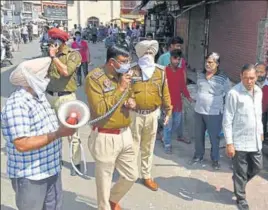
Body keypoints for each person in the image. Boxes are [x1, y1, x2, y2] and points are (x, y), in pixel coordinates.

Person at [1, 57, 75, 210]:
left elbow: (45, 127)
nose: (48, 78)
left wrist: (67, 123)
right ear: (32, 78)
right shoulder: (18, 104)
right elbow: (21, 144)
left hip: (51, 169)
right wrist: (57, 134)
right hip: (31, 176)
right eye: (45, 75)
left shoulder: (40, 97)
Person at [85, 44, 138, 210]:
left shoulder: (122, 76)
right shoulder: (95, 79)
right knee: (104, 180)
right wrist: (120, 88)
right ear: (112, 62)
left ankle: (112, 199)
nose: (127, 65)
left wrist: (131, 102)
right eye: (123, 61)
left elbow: (130, 96)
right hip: (105, 135)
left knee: (131, 175)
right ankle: (104, 206)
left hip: (125, 134)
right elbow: (100, 109)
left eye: (128, 61)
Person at [130, 40, 172, 191]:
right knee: (133, 146)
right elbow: (124, 91)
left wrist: (168, 110)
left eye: (150, 53)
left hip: (152, 114)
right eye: (145, 53)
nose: (148, 56)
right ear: (140, 54)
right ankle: (131, 174)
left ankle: (146, 175)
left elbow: (165, 92)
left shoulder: (160, 72)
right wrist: (129, 99)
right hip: (135, 115)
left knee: (148, 146)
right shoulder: (132, 71)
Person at [223, 64, 263, 210]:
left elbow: (258, 115)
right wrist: (229, 143)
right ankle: (241, 198)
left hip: (255, 138)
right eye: (245, 78)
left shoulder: (259, 91)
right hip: (239, 140)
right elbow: (227, 119)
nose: (249, 81)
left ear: (256, 77)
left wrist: (261, 132)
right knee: (240, 170)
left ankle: (239, 181)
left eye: (252, 78)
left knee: (258, 167)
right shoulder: (234, 94)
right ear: (240, 76)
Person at [45, 28, 82, 176]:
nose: (51, 44)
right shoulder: (49, 55)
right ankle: (56, 160)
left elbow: (66, 72)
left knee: (72, 133)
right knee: (52, 131)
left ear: (60, 42)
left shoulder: (73, 55)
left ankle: (76, 162)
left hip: (66, 98)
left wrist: (54, 58)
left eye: (53, 41)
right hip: (50, 96)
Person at [189, 52, 231, 170]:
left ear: (217, 64)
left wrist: (227, 110)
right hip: (199, 111)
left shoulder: (223, 78)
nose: (207, 64)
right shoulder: (200, 74)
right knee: (198, 136)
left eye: (210, 62)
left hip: (214, 113)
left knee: (214, 138)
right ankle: (198, 156)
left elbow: (228, 94)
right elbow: (198, 89)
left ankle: (215, 159)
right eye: (206, 62)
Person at [163, 49, 194, 153]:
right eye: (175, 58)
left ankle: (167, 136)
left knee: (176, 123)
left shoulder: (181, 71)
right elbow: (160, 87)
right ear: (170, 58)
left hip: (178, 104)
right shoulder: (164, 71)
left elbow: (183, 87)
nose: (177, 61)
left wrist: (188, 97)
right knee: (168, 125)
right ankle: (167, 144)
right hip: (167, 104)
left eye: (179, 59)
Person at [157, 36, 186, 142]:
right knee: (165, 115)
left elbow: (183, 73)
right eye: (177, 46)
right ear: (171, 46)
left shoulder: (181, 59)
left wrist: (183, 88)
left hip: (177, 92)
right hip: (165, 92)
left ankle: (179, 135)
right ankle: (161, 134)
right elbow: (157, 74)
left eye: (180, 46)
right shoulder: (163, 58)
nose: (179, 48)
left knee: (179, 116)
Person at [255, 62, 268, 143]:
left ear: (266, 73)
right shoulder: (249, 83)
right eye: (257, 71)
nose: (259, 74)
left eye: (261, 72)